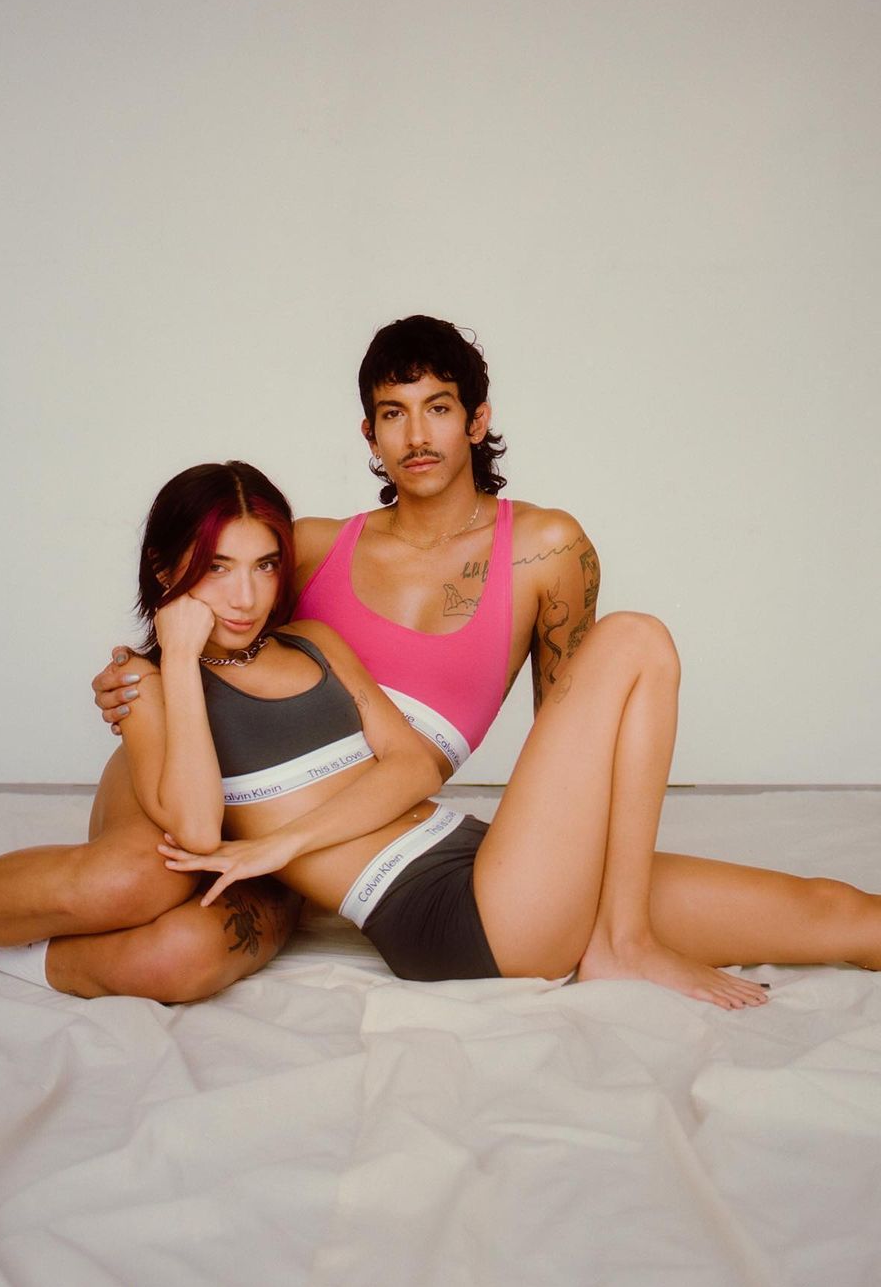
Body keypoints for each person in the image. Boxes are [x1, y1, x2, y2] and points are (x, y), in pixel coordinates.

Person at [0, 461, 879, 1009]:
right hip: (462, 922)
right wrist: (173, 657)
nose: (245, 594)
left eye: (263, 564)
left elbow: (409, 764)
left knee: (833, 912)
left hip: (480, 857)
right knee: (635, 639)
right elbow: (192, 828)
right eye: (216, 570)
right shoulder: (154, 691)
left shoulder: (316, 641)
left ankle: (621, 928)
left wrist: (282, 843)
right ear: (170, 571)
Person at [90, 315, 601, 997]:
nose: (416, 437)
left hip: (400, 834)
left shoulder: (546, 548)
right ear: (370, 433)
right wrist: (137, 676)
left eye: (438, 409)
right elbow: (218, 642)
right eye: (393, 414)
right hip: (262, 815)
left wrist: (578, 866)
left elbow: (573, 738)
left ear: (477, 421)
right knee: (142, 891)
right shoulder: (308, 548)